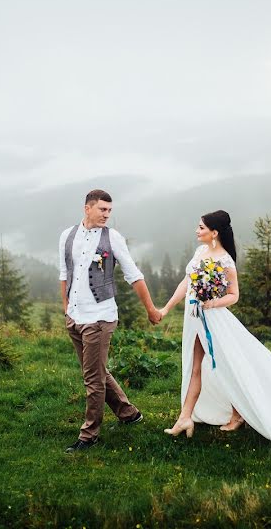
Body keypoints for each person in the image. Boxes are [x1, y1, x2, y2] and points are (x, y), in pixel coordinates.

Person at [158, 210, 271, 461]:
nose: (196, 231)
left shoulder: (225, 261)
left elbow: (234, 295)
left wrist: (213, 302)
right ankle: (185, 419)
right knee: (195, 367)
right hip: (194, 318)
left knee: (229, 367)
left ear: (215, 233)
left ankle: (238, 413)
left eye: (201, 227)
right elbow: (186, 283)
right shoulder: (200, 253)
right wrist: (167, 308)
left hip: (213, 319)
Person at [59, 189, 163, 453]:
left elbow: (133, 275)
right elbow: (64, 273)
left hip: (100, 317)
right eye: (102, 209)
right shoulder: (67, 235)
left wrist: (150, 309)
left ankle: (89, 434)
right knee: (96, 371)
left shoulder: (113, 238)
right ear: (87, 208)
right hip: (75, 316)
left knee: (93, 378)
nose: (107, 215)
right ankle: (129, 413)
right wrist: (66, 308)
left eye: (109, 211)